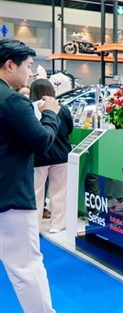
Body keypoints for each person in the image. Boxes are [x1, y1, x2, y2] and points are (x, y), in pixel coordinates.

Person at [0, 39, 85, 313]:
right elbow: (42, 141)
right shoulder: (11, 101)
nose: (31, 72)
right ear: (9, 64)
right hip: (10, 194)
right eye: (27, 66)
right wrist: (49, 113)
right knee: (27, 264)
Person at [31, 79, 74, 233]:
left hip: (38, 156)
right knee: (60, 192)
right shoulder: (63, 108)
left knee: (36, 193)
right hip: (61, 154)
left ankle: (34, 226)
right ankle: (57, 224)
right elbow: (69, 129)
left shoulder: (31, 109)